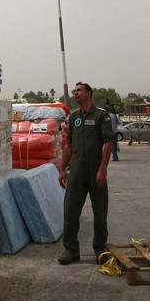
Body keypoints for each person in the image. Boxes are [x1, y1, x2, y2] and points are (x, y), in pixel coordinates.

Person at [58, 82, 114, 265]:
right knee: (70, 211)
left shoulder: (101, 116)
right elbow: (69, 145)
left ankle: (99, 249)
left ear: (89, 94)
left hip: (95, 171)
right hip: (77, 171)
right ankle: (71, 250)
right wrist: (62, 168)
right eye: (75, 91)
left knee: (100, 212)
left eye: (80, 90)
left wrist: (102, 169)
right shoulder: (73, 118)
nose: (76, 93)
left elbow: (108, 143)